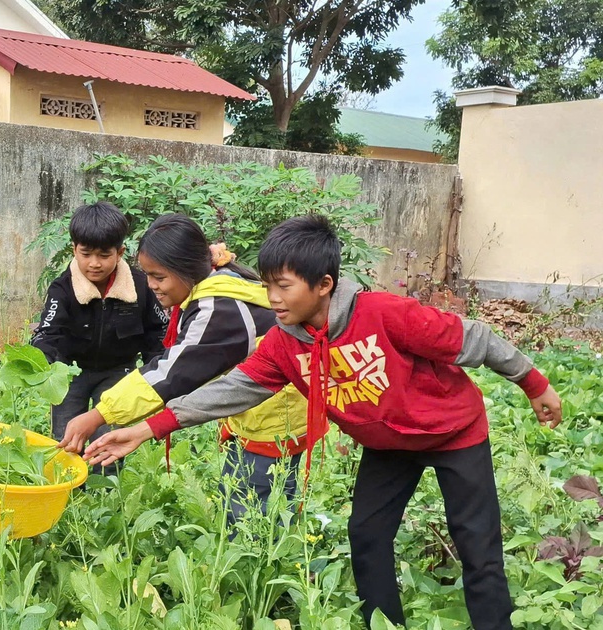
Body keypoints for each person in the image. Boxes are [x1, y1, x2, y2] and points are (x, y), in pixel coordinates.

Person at [84, 215, 562, 629]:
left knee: (477, 546)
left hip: (454, 433)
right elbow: (229, 391)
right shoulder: (284, 343)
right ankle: (385, 625)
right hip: (389, 447)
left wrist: (534, 383)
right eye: (268, 284)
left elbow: (474, 338)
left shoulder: (384, 314)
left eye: (284, 286)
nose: (271, 298)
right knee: (368, 536)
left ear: (324, 284)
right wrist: (147, 428)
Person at [59, 214, 311, 525]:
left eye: (159, 277)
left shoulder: (217, 310)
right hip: (268, 409)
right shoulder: (221, 277)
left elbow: (169, 373)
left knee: (249, 514)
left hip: (271, 418)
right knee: (262, 500)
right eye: (148, 275)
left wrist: (98, 414)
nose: (151, 286)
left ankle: (257, 566)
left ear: (186, 269)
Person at [30, 201, 166, 471]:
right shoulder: (62, 288)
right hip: (70, 372)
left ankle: (104, 492)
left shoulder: (140, 286)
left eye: (104, 255)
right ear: (74, 250)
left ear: (120, 253)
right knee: (66, 437)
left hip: (118, 373)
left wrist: (159, 372)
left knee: (108, 438)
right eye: (86, 253)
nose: (94, 264)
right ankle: (69, 489)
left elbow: (157, 332)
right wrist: (39, 362)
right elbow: (48, 331)